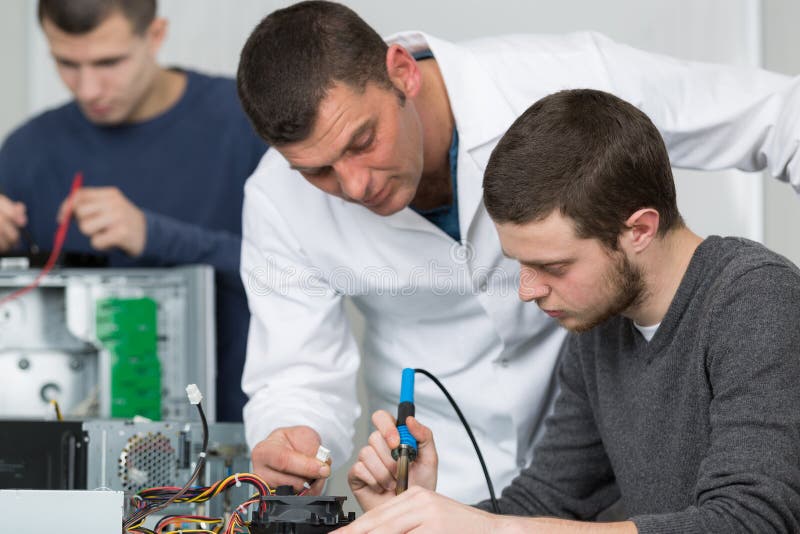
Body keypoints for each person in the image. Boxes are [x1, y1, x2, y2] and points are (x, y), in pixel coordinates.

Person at [236, 0, 800, 501]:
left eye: (363, 141)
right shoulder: (276, 198)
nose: (355, 186)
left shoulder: (565, 84)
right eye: (318, 171)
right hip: (449, 475)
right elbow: (297, 372)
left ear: (402, 71)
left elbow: (779, 117)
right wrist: (295, 435)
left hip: (594, 464)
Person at [341, 89, 800, 533]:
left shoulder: (756, 298)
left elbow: (751, 521)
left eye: (552, 266)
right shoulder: (601, 323)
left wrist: (494, 529)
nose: (528, 290)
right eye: (520, 263)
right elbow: (545, 502)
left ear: (638, 229)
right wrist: (413, 513)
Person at [0, 0, 267, 422]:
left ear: (155, 35)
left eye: (109, 62)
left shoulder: (247, 124)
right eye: (66, 62)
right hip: (60, 455)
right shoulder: (26, 152)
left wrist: (154, 236)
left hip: (232, 445)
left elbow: (303, 279)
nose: (87, 88)